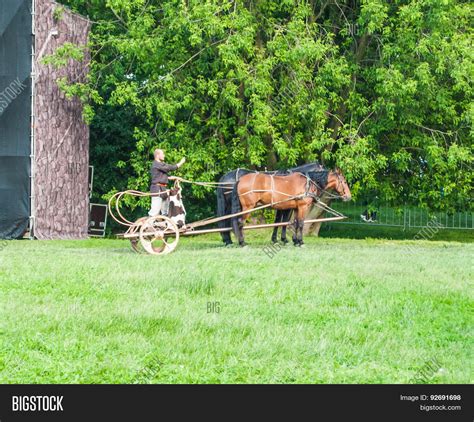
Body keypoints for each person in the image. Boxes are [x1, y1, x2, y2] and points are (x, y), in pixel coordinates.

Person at [148, 149, 185, 217]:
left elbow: (160, 176)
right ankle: (148, 224)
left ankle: (163, 225)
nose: (164, 155)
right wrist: (181, 163)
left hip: (162, 189)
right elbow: (170, 167)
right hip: (157, 189)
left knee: (165, 212)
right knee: (154, 212)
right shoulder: (156, 164)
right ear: (158, 155)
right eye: (162, 154)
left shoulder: (159, 165)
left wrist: (174, 177)